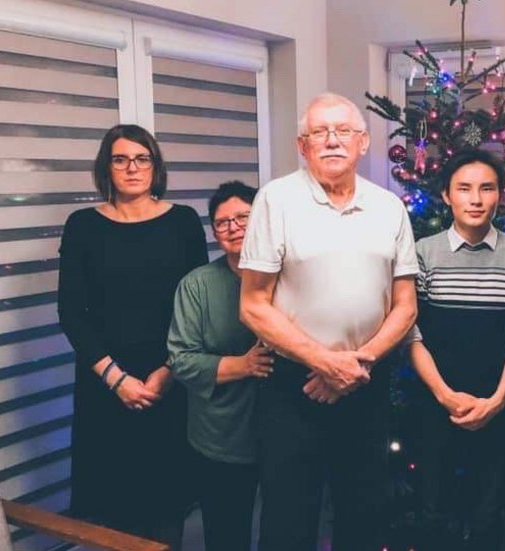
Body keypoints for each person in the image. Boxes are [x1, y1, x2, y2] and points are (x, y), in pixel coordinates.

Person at [238, 92, 418, 551]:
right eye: (319, 132)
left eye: (343, 132)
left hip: (366, 380)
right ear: (303, 145)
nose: (332, 141)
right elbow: (254, 303)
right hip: (294, 386)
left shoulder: (389, 208)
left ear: (362, 143)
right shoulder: (275, 201)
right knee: (288, 517)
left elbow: (406, 306)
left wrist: (358, 365)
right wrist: (323, 362)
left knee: (365, 512)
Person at [58, 124, 207, 547]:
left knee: (167, 504)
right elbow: (71, 312)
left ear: (155, 166)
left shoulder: (182, 222)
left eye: (142, 158)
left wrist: (167, 372)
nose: (132, 168)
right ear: (107, 167)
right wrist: (116, 379)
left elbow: (193, 307)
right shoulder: (83, 225)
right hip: (104, 384)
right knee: (111, 509)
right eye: (121, 158)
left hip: (169, 380)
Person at [408, 149, 505, 550]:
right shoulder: (422, 254)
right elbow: (410, 333)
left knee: (488, 516)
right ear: (447, 196)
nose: (476, 198)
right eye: (464, 189)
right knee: (432, 513)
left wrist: (498, 400)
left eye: (486, 188)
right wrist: (444, 396)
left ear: (500, 194)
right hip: (433, 404)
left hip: (495, 405)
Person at [167, 181, 267, 551]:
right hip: (220, 435)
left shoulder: (289, 275)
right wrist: (244, 364)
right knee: (227, 534)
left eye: (243, 216)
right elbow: (181, 359)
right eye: (222, 222)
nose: (233, 227)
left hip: (283, 430)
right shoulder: (197, 286)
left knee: (285, 530)